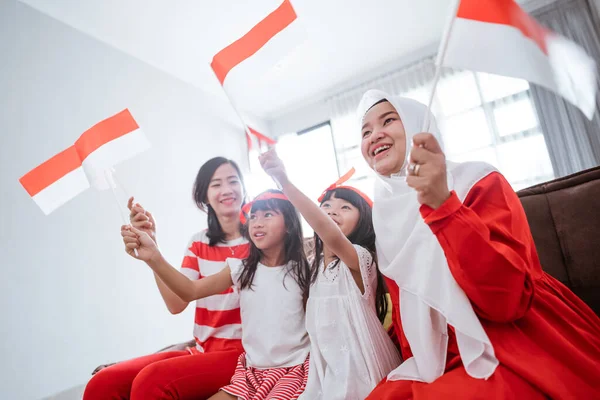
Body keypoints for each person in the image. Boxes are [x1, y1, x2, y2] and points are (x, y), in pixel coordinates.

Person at [357, 89, 600, 399]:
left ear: (418, 125)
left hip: (512, 340)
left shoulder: (477, 179)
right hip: (440, 359)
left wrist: (444, 205)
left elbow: (506, 300)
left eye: (388, 120)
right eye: (365, 131)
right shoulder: (385, 221)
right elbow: (410, 321)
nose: (374, 135)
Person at [84, 157, 250, 400]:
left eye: (233, 181)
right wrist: (153, 250)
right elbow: (176, 303)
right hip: (202, 350)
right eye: (216, 184)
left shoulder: (260, 240)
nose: (226, 190)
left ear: (244, 188)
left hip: (244, 353)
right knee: (103, 383)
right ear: (204, 195)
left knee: (152, 382)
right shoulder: (198, 242)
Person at [122, 190, 312, 400]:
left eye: (268, 215)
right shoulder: (241, 269)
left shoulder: (305, 271)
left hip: (293, 372)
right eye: (254, 216)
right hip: (250, 373)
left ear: (289, 225)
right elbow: (189, 290)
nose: (257, 222)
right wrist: (154, 257)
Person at [260, 150, 401, 399]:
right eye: (326, 205)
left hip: (364, 371)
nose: (332, 211)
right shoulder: (312, 267)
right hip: (328, 371)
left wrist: (285, 182)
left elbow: (330, 234)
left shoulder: (360, 259)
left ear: (364, 222)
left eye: (345, 207)